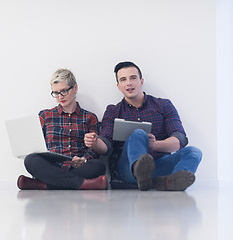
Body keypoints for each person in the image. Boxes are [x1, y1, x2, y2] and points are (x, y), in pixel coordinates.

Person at [85, 61, 202, 191]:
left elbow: (179, 139)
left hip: (160, 163)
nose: (129, 83)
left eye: (133, 78)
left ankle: (169, 182)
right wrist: (95, 142)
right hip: (128, 169)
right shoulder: (113, 110)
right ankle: (140, 172)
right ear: (118, 86)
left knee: (194, 152)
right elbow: (106, 144)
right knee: (139, 133)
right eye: (123, 80)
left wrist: (155, 145)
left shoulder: (163, 105)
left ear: (141, 81)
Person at [17, 68, 108, 190]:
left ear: (75, 88)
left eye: (64, 91)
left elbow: (94, 147)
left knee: (99, 166)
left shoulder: (89, 117)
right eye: (55, 93)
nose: (60, 97)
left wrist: (84, 159)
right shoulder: (45, 115)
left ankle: (43, 185)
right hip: (51, 166)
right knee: (30, 160)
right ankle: (83, 184)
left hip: (77, 167)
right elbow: (37, 146)